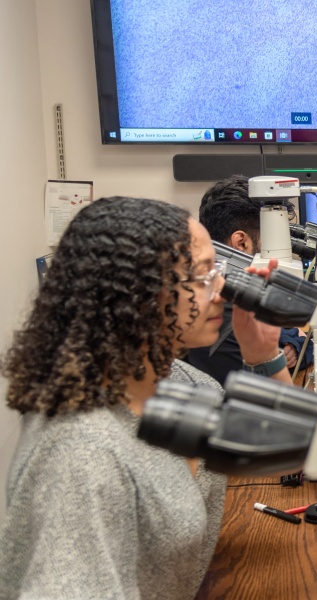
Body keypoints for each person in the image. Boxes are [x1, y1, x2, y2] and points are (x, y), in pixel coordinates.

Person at [0, 197, 287, 599]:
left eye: (217, 271)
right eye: (203, 276)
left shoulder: (185, 384)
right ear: (137, 295)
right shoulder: (81, 454)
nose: (223, 290)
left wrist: (262, 353)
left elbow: (279, 450)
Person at [187, 174, 312, 385]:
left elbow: (294, 338)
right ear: (241, 242)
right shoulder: (222, 311)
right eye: (270, 241)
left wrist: (295, 343)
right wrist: (287, 347)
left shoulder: (240, 301)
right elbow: (278, 405)